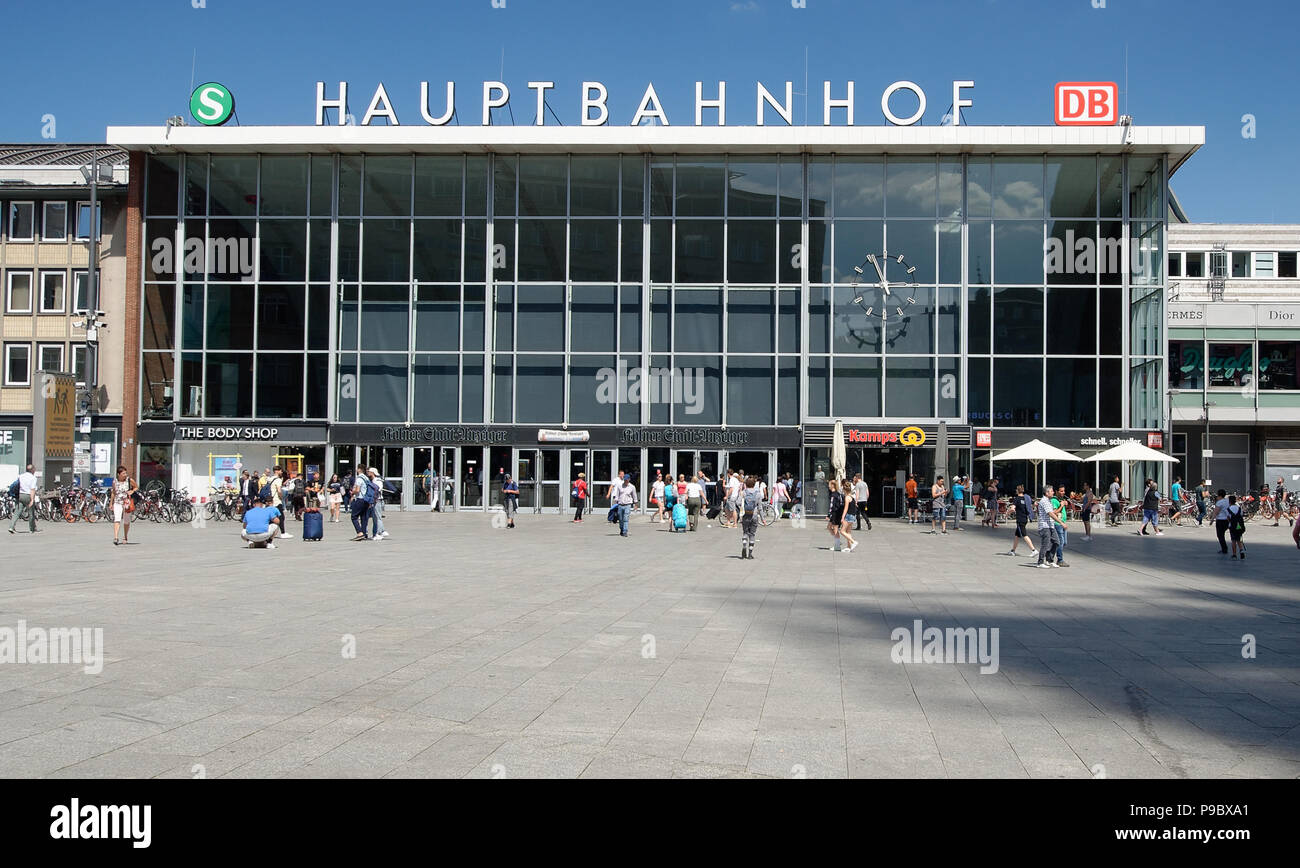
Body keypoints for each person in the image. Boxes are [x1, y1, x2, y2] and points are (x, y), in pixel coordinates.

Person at [7, 463, 39, 535]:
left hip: (20, 495)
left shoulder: (21, 476)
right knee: (31, 513)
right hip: (28, 495)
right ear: (32, 470)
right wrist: (32, 499)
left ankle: (11, 527)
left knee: (17, 512)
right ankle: (31, 529)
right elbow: (32, 489)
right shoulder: (33, 478)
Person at [108, 465, 135, 545]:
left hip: (127, 503)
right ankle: (116, 537)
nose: (125, 475)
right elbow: (113, 492)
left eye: (125, 473)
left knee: (126, 521)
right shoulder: (115, 482)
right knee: (117, 519)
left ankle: (125, 536)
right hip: (117, 502)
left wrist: (132, 491)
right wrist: (111, 503)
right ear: (118, 474)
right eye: (123, 473)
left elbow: (136, 487)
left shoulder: (129, 480)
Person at [1008, 484, 1037, 557]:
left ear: (1017, 490)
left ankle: (1033, 550)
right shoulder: (1026, 498)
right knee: (1017, 535)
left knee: (1024, 534)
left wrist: (1007, 513)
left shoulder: (1017, 499)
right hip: (1025, 518)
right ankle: (1013, 550)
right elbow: (1034, 504)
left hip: (1020, 519)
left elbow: (1012, 508)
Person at [1037, 485, 1060, 569]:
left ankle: (1049, 560)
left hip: (1051, 525)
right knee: (1045, 544)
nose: (1053, 492)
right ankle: (1040, 562)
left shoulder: (1049, 501)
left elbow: (1052, 512)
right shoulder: (1044, 501)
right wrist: (1060, 522)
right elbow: (1050, 513)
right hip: (1045, 526)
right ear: (1047, 493)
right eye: (1052, 491)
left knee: (1056, 542)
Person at [739, 476, 761, 558]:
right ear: (754, 484)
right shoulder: (758, 493)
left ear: (746, 484)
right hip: (754, 515)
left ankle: (744, 545)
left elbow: (738, 502)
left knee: (745, 532)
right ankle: (750, 553)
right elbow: (760, 507)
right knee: (752, 534)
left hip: (745, 514)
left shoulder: (743, 492)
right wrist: (762, 519)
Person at [350, 469, 373, 541]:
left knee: (354, 516)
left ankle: (360, 533)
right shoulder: (366, 478)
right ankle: (364, 533)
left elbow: (357, 490)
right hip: (366, 500)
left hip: (360, 499)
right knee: (363, 517)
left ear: (359, 469)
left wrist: (352, 492)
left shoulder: (359, 479)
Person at [367, 467, 390, 540]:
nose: (368, 473)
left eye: (369, 472)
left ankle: (380, 532)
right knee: (375, 517)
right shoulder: (373, 480)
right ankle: (380, 531)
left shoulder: (377, 480)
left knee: (377, 517)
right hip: (374, 500)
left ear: (372, 473)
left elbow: (378, 489)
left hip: (377, 500)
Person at [838, 477, 859, 552]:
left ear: (844, 490)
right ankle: (849, 547)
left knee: (842, 531)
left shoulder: (847, 497)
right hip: (853, 516)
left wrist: (842, 517)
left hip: (848, 516)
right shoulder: (852, 497)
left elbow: (846, 508)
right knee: (848, 532)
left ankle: (853, 542)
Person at [1051, 485, 1070, 567]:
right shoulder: (1054, 500)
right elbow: (1054, 512)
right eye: (1061, 491)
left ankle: (1050, 555)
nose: (1063, 492)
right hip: (1058, 524)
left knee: (1063, 542)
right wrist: (1061, 505)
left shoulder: (1061, 499)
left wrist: (1065, 504)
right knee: (1061, 542)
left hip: (1063, 523)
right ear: (1057, 491)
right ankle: (1060, 559)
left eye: (1064, 491)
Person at [1212, 488, 1231, 554]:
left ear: (1219, 496)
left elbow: (1216, 512)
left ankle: (1224, 549)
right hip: (1228, 520)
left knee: (1220, 535)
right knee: (1223, 534)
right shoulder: (1228, 501)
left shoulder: (1219, 502)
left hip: (1220, 520)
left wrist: (1212, 520)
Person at [826, 480, 844, 550]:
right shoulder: (838, 493)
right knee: (829, 527)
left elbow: (831, 505)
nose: (828, 486)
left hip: (835, 513)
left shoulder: (833, 495)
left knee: (835, 529)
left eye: (829, 484)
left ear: (833, 485)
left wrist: (828, 515)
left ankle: (837, 545)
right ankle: (838, 541)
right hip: (837, 513)